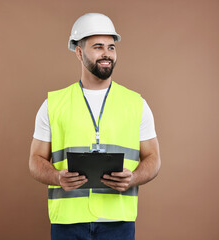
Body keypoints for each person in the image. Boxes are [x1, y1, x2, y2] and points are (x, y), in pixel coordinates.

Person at [29, 13, 161, 240]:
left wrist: (134, 178)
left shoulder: (136, 103)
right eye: (98, 47)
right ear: (79, 53)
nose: (106, 54)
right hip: (68, 223)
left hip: (118, 222)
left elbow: (153, 158)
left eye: (111, 47)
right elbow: (35, 161)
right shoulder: (53, 104)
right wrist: (56, 177)